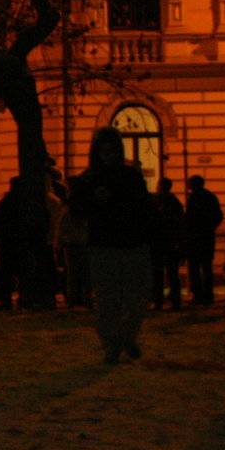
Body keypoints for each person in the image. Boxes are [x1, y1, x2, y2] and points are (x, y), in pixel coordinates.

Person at [68, 127, 152, 364]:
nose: (108, 154)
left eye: (112, 149)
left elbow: (144, 208)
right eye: (103, 150)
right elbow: (76, 209)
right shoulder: (89, 179)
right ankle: (112, 343)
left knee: (136, 298)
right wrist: (92, 201)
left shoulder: (131, 176)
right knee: (107, 299)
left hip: (132, 244)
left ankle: (125, 336)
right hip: (103, 246)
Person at [185, 175, 222, 306]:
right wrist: (211, 227)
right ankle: (208, 295)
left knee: (194, 268)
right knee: (207, 268)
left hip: (195, 238)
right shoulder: (210, 197)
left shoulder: (193, 198)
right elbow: (219, 215)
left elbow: (189, 219)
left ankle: (198, 295)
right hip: (207, 237)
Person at [150, 177, 186, 311]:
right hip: (170, 243)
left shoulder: (156, 201)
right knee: (172, 274)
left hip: (159, 243)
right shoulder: (174, 202)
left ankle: (158, 302)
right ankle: (175, 302)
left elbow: (152, 221)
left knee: (158, 274)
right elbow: (180, 224)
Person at [0, 177, 26, 311]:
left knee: (6, 272)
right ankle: (23, 298)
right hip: (20, 241)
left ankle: (5, 300)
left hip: (7, 242)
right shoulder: (25, 201)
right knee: (21, 271)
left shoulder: (6, 202)